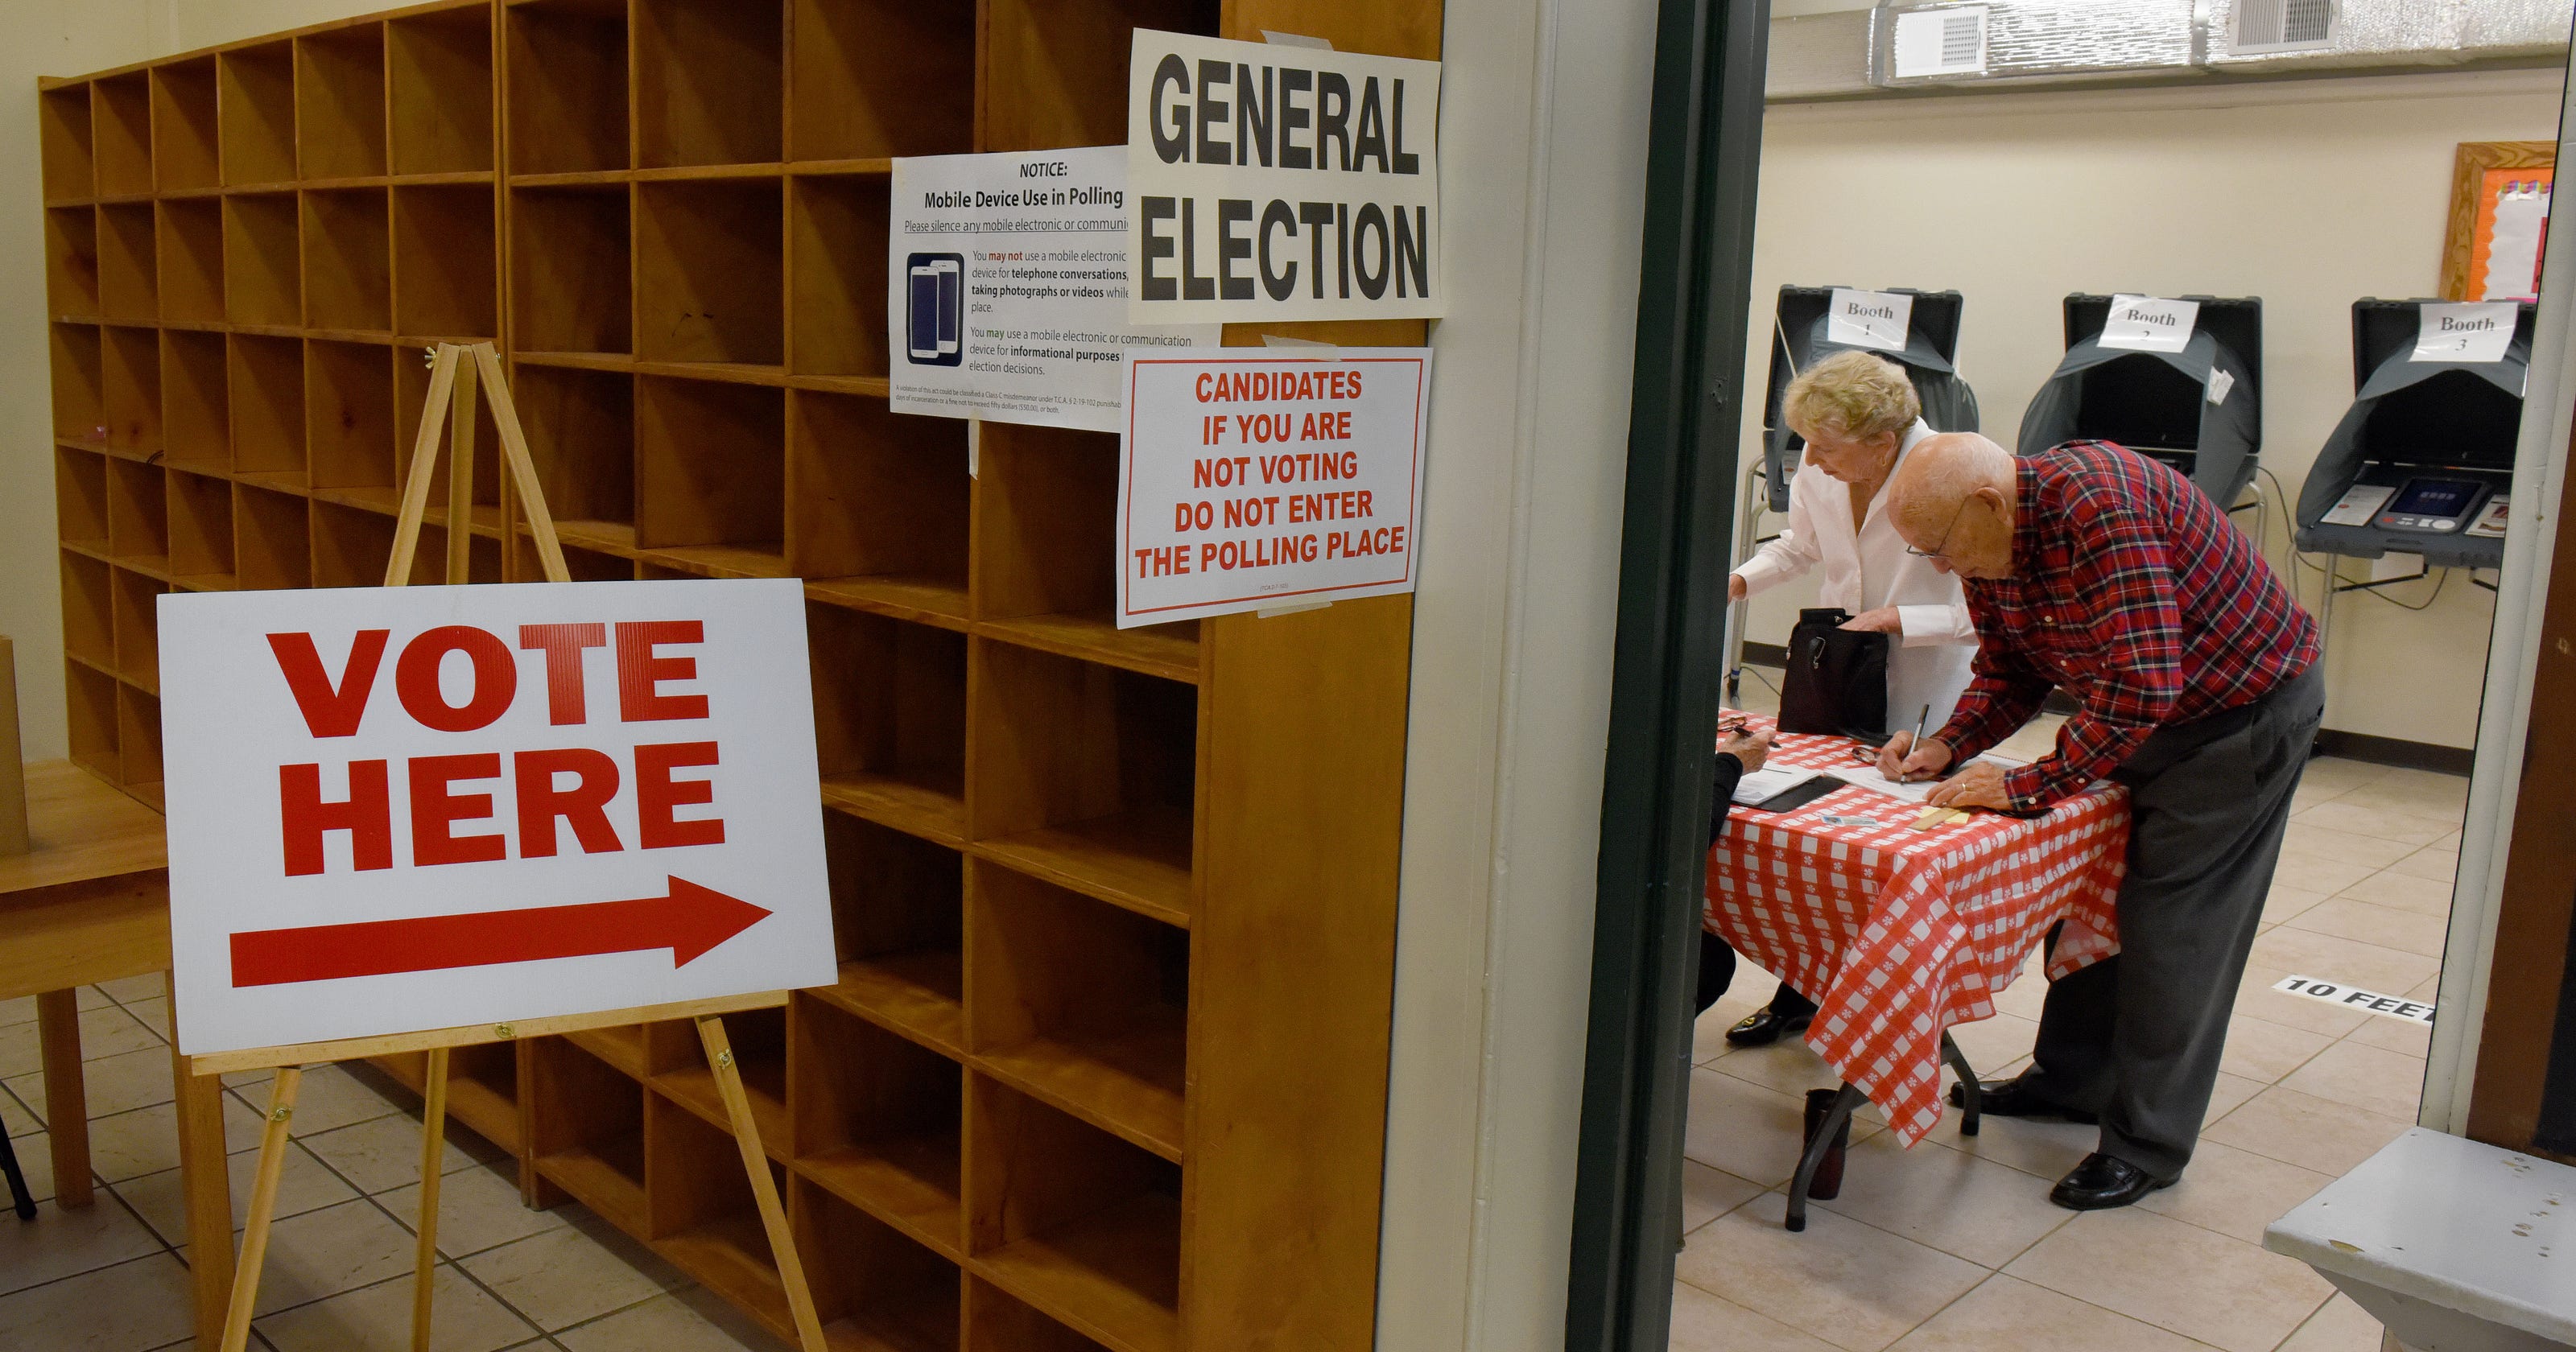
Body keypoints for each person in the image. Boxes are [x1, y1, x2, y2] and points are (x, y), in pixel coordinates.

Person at [1875, 432, 2324, 1210]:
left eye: (1942, 548)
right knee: (2093, 897)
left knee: (2173, 927)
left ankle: (2146, 1143)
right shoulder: (1993, 538)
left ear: (1987, 502)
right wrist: (1950, 743)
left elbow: (2146, 684)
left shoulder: (2100, 505)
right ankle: (2073, 1080)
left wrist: (2029, 786)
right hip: (2132, 713)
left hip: (2236, 717)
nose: (1942, 567)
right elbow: (2011, 666)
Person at [1723, 348, 1979, 1049]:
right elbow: (1800, 548)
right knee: (1821, 828)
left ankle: (1887, 1009)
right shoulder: (1822, 461)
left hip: (1929, 679)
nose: (1812, 460)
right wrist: (1739, 580)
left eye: (1826, 448)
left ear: (1883, 443)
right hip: (1836, 662)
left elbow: (1988, 607)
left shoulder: (1955, 472)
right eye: (1805, 443)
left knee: (1891, 852)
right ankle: (1800, 990)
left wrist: (1904, 620)